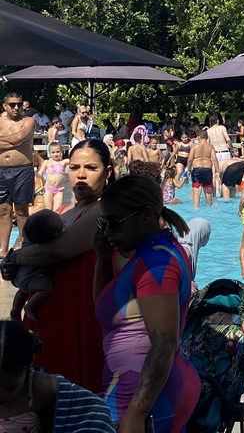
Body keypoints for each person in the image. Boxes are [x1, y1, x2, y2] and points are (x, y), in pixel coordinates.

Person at [94, 174, 200, 432]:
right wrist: (103, 256)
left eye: (115, 222)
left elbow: (163, 343)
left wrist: (135, 415)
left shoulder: (157, 265)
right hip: (139, 388)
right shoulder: (152, 252)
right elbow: (106, 307)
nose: (108, 231)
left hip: (140, 396)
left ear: (146, 215)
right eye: (104, 223)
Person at [0, 139, 109, 391]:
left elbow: (55, 252)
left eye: (91, 168)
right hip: (48, 317)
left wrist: (14, 258)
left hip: (79, 316)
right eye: (74, 167)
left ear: (108, 171)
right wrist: (13, 269)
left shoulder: (103, 211)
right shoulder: (61, 213)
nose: (80, 174)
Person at [0, 319, 115, 432]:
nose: (1, 396)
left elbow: (92, 410)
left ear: (30, 363)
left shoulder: (39, 389)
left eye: (11, 387)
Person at [0, 91, 37, 257]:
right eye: (13, 105)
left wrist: (6, 140)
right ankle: (3, 248)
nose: (17, 108)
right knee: (3, 211)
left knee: (22, 211)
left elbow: (19, 139)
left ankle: (25, 244)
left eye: (19, 104)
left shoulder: (29, 121)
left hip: (22, 169)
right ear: (5, 106)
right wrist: (13, 140)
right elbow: (15, 140)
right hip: (1, 171)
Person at [9, 209, 63, 320]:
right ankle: (30, 307)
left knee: (22, 291)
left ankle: (16, 309)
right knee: (45, 287)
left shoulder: (28, 237)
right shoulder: (47, 245)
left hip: (19, 275)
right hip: (32, 278)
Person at [187, 127, 218, 208]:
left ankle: (196, 208)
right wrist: (217, 171)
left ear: (199, 137)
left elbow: (190, 159)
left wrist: (189, 170)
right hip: (208, 169)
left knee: (197, 190)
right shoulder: (210, 146)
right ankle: (209, 207)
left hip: (197, 169)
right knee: (208, 190)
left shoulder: (194, 146)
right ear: (207, 137)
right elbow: (214, 159)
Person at [37, 141, 68, 214]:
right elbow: (39, 174)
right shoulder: (47, 162)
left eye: (58, 152)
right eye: (53, 152)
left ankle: (56, 224)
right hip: (48, 189)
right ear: (49, 153)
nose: (56, 154)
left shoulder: (63, 162)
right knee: (48, 210)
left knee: (57, 211)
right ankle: (47, 224)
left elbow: (74, 160)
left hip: (59, 190)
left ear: (61, 151)